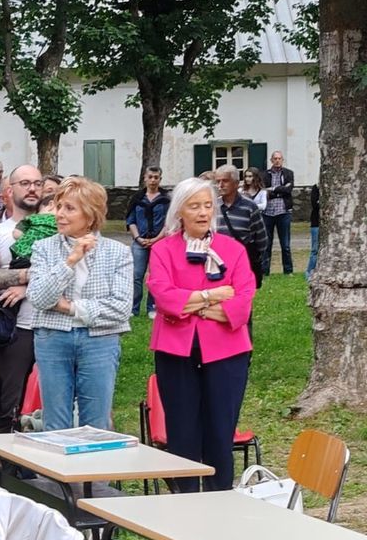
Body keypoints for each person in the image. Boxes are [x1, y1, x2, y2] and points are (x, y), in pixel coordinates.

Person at [147, 177, 255, 492]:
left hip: (227, 352)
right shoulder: (163, 250)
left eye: (208, 206)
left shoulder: (233, 249)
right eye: (194, 206)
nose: (203, 212)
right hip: (175, 350)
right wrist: (212, 296)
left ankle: (219, 496)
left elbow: (242, 303)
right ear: (180, 211)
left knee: (220, 431)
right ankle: (185, 499)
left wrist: (192, 304)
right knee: (182, 431)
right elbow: (164, 298)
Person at [28, 177, 132, 433]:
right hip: (53, 338)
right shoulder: (43, 248)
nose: (59, 214)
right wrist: (70, 261)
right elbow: (38, 298)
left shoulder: (118, 252)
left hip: (100, 340)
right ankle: (57, 462)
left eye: (69, 208)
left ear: (90, 214)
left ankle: (94, 463)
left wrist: (70, 308)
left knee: (96, 424)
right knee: (55, 424)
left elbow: (121, 309)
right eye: (58, 206)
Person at [0, 164, 45, 433]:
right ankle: (4, 457)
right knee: (9, 407)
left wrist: (26, 287)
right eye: (25, 183)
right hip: (15, 329)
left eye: (37, 183)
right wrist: (37, 274)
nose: (32, 189)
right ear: (9, 190)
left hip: (55, 325)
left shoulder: (60, 229)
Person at [125, 166, 171, 318]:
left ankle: (152, 307)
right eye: (150, 177)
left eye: (156, 177)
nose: (153, 180)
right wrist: (138, 238)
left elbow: (169, 222)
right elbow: (131, 220)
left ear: (160, 179)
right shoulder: (137, 198)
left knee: (155, 276)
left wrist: (157, 239)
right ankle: (134, 308)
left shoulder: (166, 199)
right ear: (145, 178)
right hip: (140, 242)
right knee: (136, 275)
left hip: (159, 242)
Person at [214, 165, 268, 291]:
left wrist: (253, 257)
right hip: (218, 263)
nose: (220, 185)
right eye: (218, 181)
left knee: (242, 296)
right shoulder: (213, 206)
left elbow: (261, 238)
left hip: (242, 263)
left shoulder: (249, 206)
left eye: (225, 181)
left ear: (236, 183)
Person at [261, 150, 295, 275]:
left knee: (285, 244)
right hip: (267, 212)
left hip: (283, 211)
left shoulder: (288, 173)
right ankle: (265, 271)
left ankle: (288, 271)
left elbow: (288, 190)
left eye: (279, 158)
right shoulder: (264, 174)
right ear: (271, 160)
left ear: (282, 160)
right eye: (275, 158)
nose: (277, 161)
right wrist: (280, 190)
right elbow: (263, 190)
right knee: (266, 244)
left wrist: (273, 189)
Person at [9, 194, 57, 267]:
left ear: (51, 205)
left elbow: (16, 234)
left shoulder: (33, 218)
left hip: (26, 253)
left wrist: (27, 237)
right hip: (49, 258)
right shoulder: (63, 224)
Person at [307, 184, 320, 278]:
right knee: (315, 249)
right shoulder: (316, 188)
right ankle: (309, 272)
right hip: (316, 222)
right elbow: (315, 204)